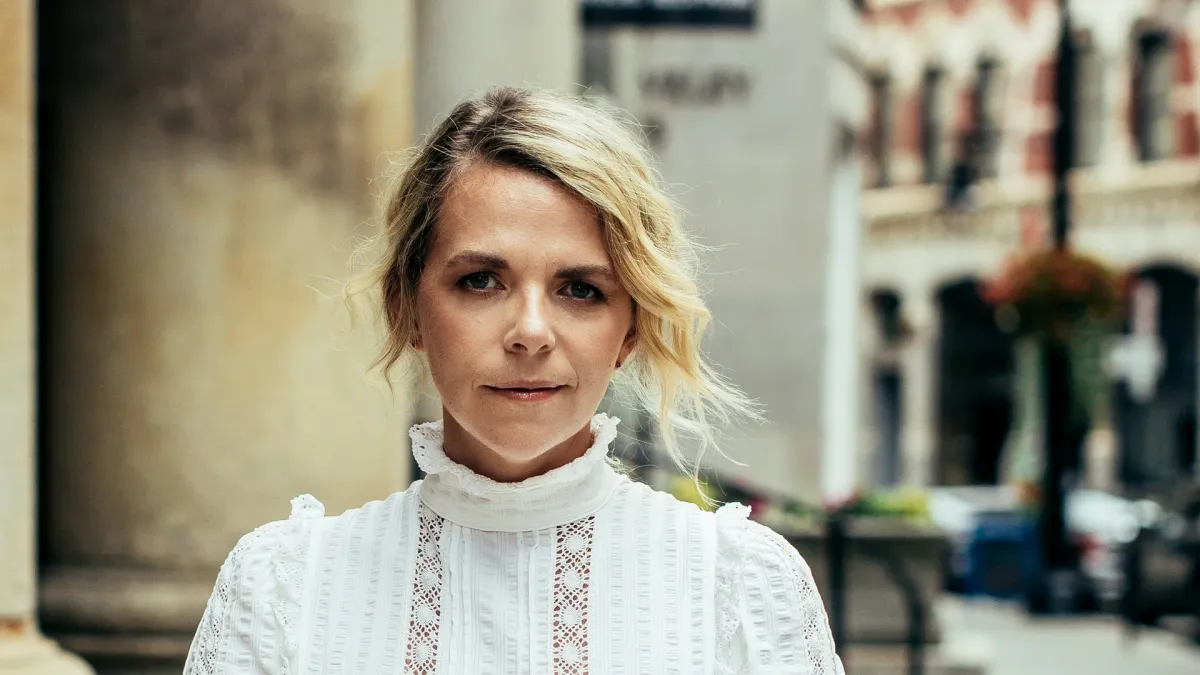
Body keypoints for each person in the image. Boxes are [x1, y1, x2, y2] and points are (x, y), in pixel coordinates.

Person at [183, 86, 844, 674]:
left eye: (580, 289)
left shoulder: (740, 588)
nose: (531, 330)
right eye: (480, 280)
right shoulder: (286, 590)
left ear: (632, 328)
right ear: (406, 307)